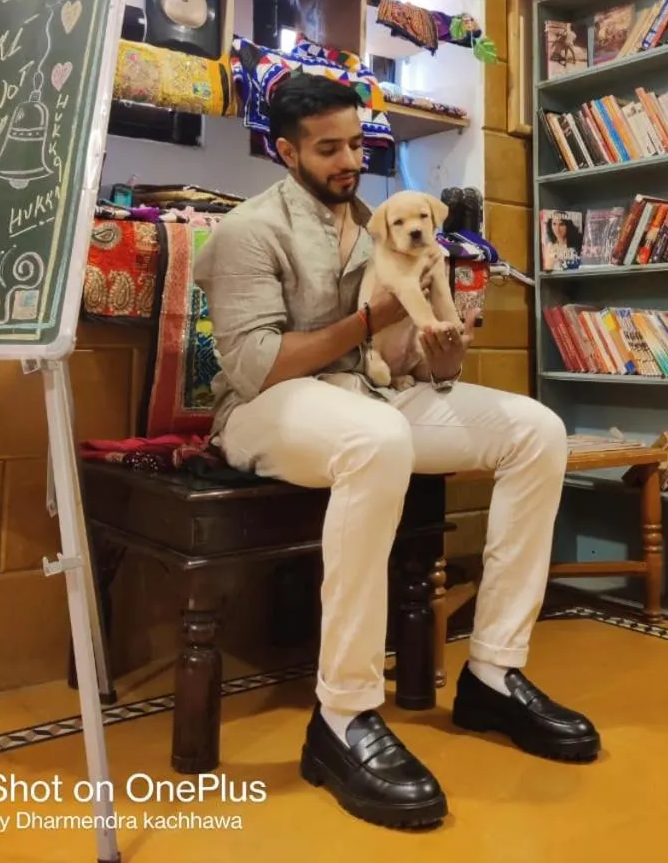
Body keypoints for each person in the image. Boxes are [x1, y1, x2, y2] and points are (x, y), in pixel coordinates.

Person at [194, 72, 598, 830]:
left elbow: (426, 370)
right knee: (376, 439)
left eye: (356, 143)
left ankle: (494, 673)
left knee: (536, 429)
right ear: (285, 151)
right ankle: (342, 716)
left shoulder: (393, 224)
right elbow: (257, 366)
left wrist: (444, 344)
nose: (350, 160)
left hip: (369, 393)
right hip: (265, 409)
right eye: (328, 148)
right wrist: (370, 319)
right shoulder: (249, 230)